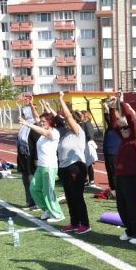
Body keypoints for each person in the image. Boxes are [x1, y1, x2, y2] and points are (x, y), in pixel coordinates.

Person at [109, 99, 136, 245]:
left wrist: (122, 103)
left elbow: (131, 120)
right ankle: (130, 230)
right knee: (122, 207)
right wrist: (112, 108)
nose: (123, 130)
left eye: (125, 128)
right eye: (122, 129)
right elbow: (114, 125)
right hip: (121, 178)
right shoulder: (124, 138)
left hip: (133, 178)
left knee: (133, 207)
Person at [20, 112, 65, 222]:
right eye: (41, 121)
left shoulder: (54, 132)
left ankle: (58, 214)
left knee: (48, 192)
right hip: (41, 166)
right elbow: (40, 126)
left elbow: (44, 131)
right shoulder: (43, 133)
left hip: (49, 166)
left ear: (50, 121)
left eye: (44, 121)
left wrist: (28, 124)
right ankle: (47, 209)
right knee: (34, 188)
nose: (41, 123)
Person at [56, 92, 91, 234]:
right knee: (70, 197)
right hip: (64, 168)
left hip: (75, 167)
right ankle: (74, 223)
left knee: (77, 197)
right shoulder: (67, 134)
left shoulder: (78, 132)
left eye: (67, 121)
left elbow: (68, 116)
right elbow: (59, 116)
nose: (65, 122)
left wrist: (61, 100)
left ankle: (85, 224)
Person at [16, 94, 41, 211]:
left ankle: (36, 203)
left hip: (31, 161)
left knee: (32, 182)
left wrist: (31, 104)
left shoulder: (34, 127)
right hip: (23, 160)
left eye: (23, 114)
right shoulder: (22, 129)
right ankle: (29, 202)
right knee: (25, 182)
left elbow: (37, 146)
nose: (21, 116)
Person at [102, 97, 122, 199]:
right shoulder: (111, 124)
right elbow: (107, 117)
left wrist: (111, 108)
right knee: (110, 171)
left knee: (114, 172)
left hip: (114, 152)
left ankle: (116, 190)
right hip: (108, 151)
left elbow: (111, 118)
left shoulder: (117, 125)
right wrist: (106, 107)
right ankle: (113, 189)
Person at [77, 110, 98, 186]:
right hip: (83, 144)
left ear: (85, 116)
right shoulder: (83, 123)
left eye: (81, 115)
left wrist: (88, 140)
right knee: (84, 163)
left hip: (87, 145)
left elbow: (90, 134)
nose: (80, 117)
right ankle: (85, 179)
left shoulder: (87, 124)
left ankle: (91, 180)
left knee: (88, 163)